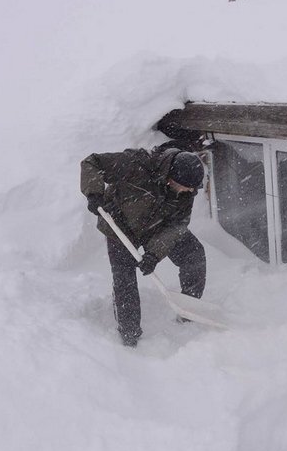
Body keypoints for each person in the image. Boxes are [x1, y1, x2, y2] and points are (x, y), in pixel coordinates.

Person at [81, 146, 207, 347]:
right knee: (125, 280)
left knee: (194, 254)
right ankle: (129, 335)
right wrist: (94, 194)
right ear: (170, 178)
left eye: (193, 188)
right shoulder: (135, 164)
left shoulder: (185, 194)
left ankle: (189, 311)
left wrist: (154, 255)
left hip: (156, 227)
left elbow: (177, 226)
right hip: (119, 226)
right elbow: (92, 162)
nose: (191, 191)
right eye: (187, 186)